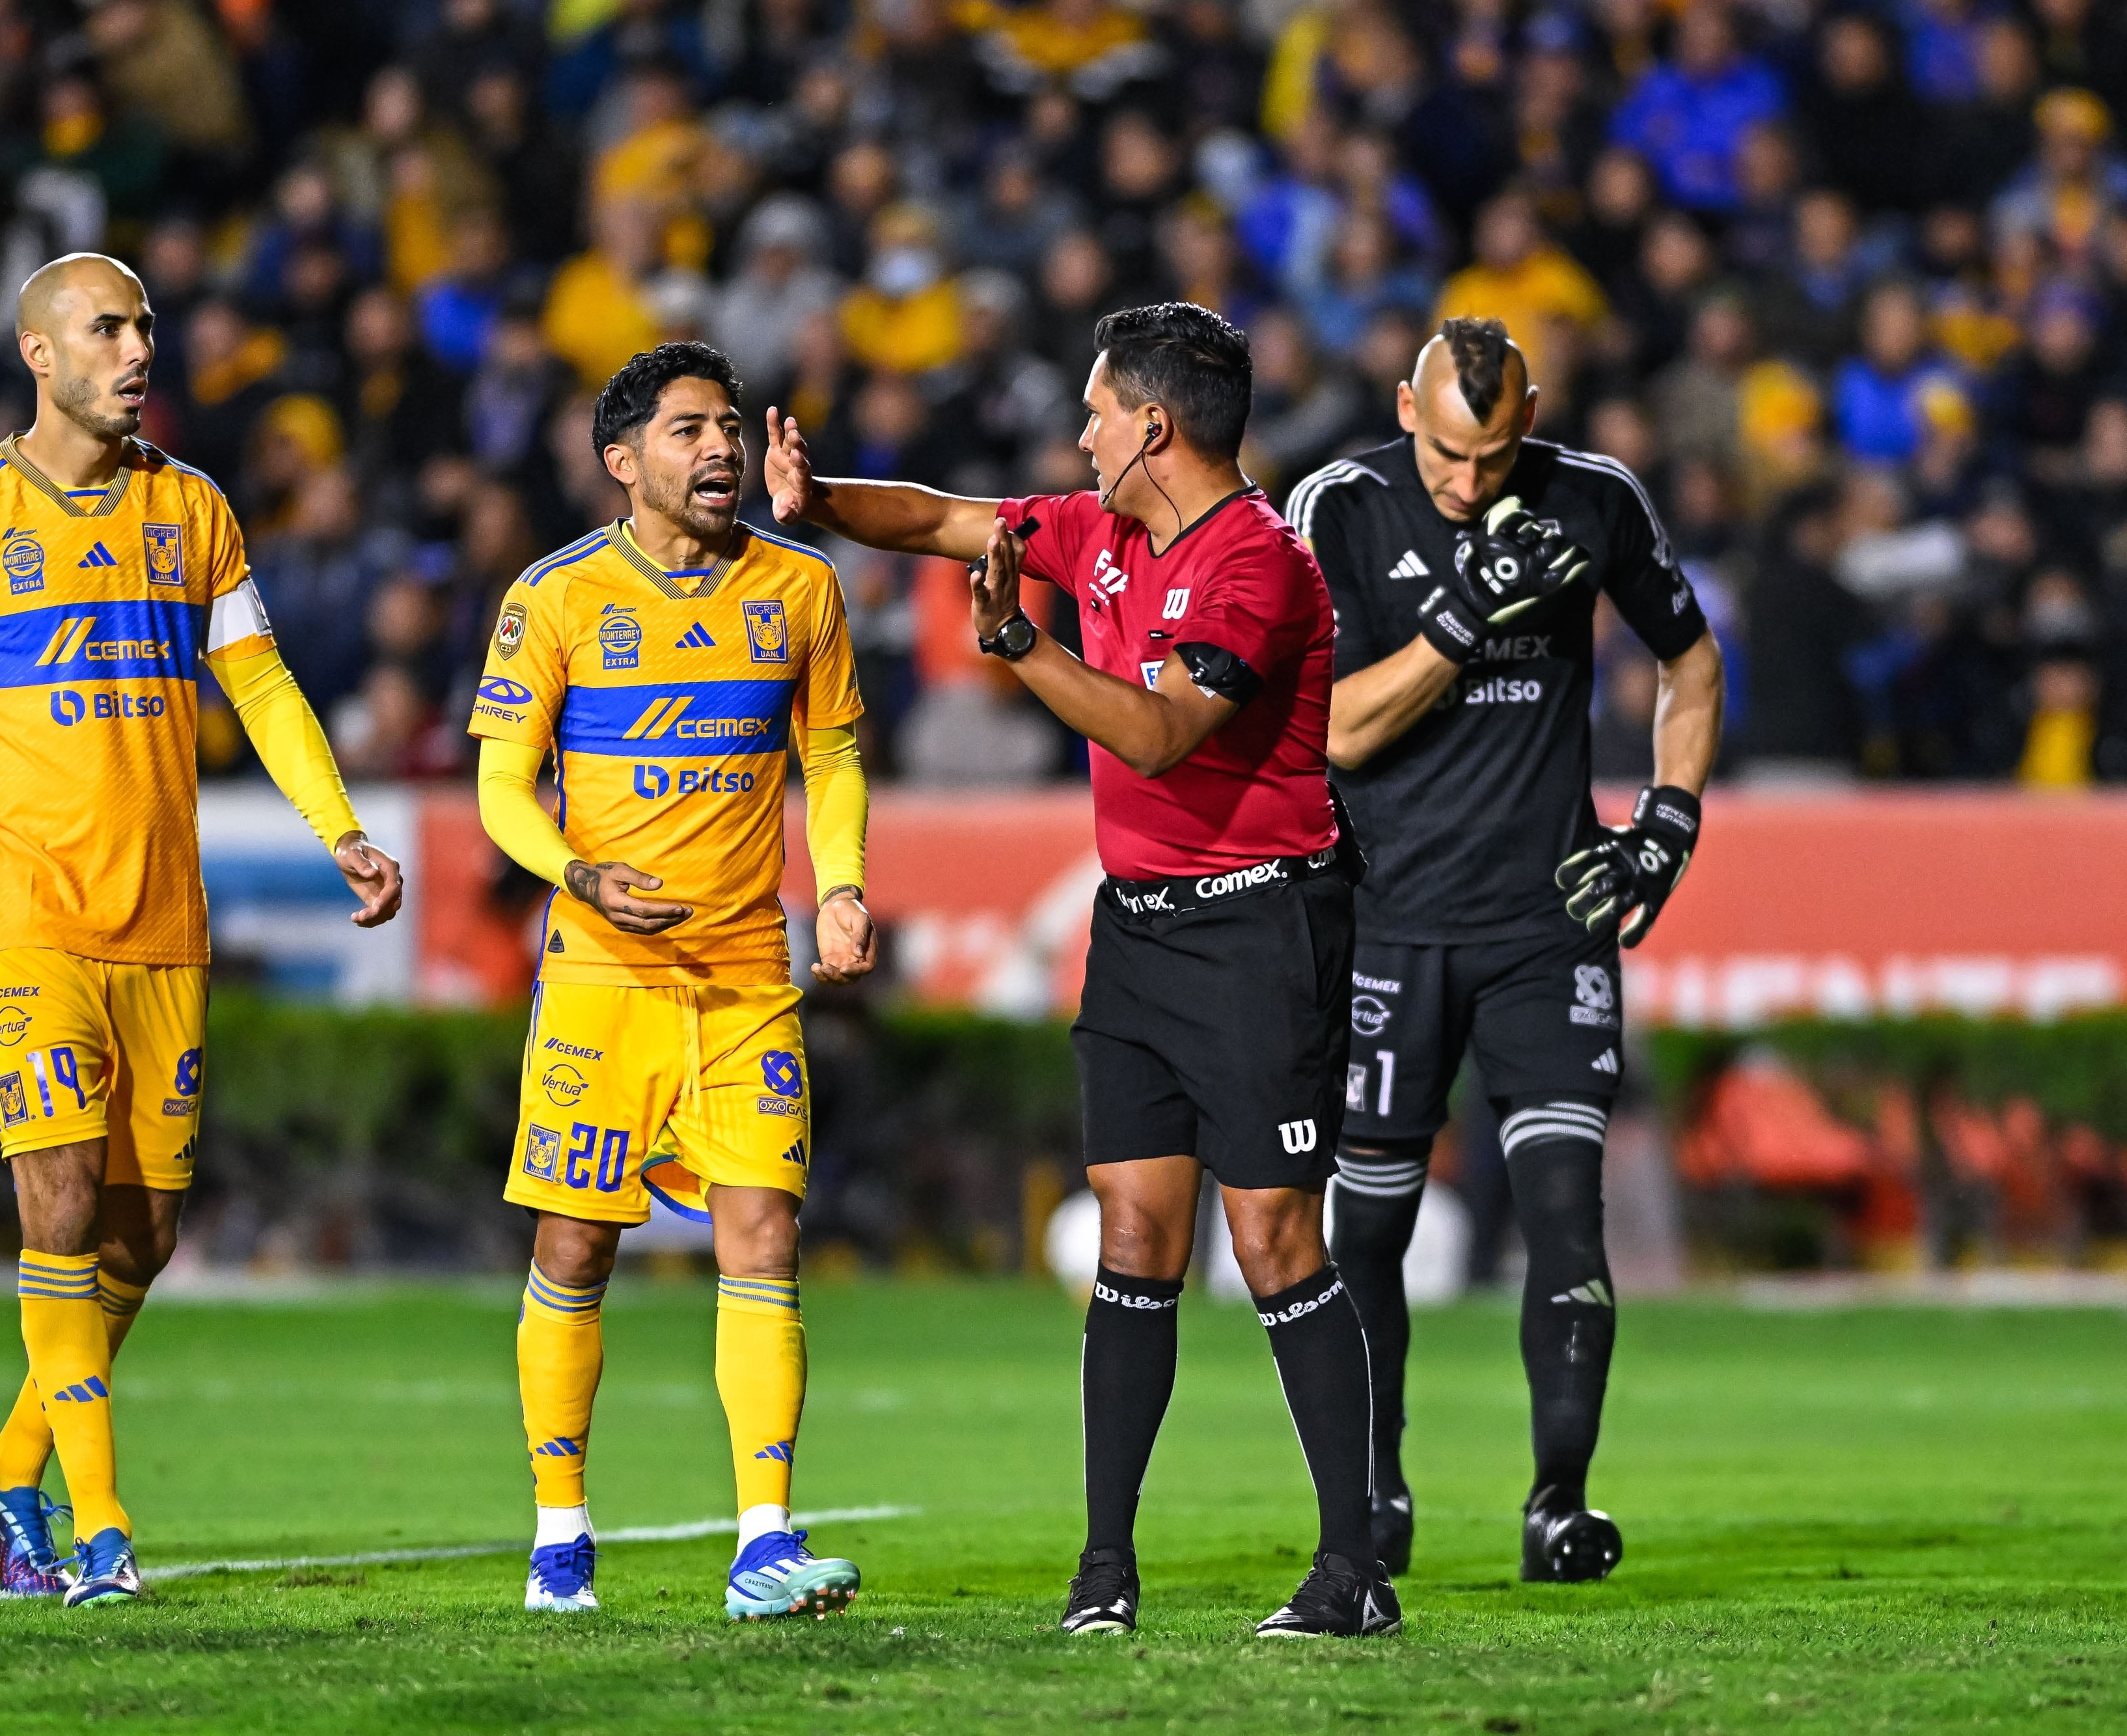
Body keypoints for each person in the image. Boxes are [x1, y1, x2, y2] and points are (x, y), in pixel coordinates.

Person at [767, 301, 1397, 1640]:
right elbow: (944, 521)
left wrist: (1020, 647)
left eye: (1097, 410)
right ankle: (1103, 1568)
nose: (1080, 430)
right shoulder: (1099, 529)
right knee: (1127, 1232)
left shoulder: (1261, 567)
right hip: (1139, 931)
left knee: (1274, 1236)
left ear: (1152, 427)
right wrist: (815, 497)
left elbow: (1164, 733)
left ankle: (1351, 1569)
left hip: (1261, 932)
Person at [0, 255, 403, 1609]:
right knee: (56, 1201)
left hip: (165, 923)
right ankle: (97, 1530)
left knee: (142, 1233)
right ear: (37, 353)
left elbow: (260, 683)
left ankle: (5, 1465)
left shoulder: (194, 510)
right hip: (27, 917)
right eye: (107, 326)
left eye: (145, 323)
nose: (137, 346)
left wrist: (338, 824)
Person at [1283, 316, 1723, 1582]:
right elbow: (1333, 730)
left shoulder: (1592, 499)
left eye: (1491, 457)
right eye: (1444, 455)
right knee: (1365, 1235)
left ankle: (1556, 1504)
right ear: (1402, 407)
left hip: (1548, 918)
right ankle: (1372, 1489)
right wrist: (1464, 620)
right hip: (1386, 920)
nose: (1467, 483)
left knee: (1562, 1221)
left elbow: (1687, 662)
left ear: (1526, 421)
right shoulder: (1338, 510)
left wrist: (1667, 822)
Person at [470, 341, 875, 1623]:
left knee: (762, 1230)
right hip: (601, 975)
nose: (721, 449)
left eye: (732, 427)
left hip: (746, 968)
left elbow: (835, 757)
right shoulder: (554, 596)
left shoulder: (801, 589)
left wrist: (848, 883)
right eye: (690, 428)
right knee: (573, 1245)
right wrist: (578, 873)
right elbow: (496, 786)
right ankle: (558, 1533)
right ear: (621, 460)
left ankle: (763, 1536)